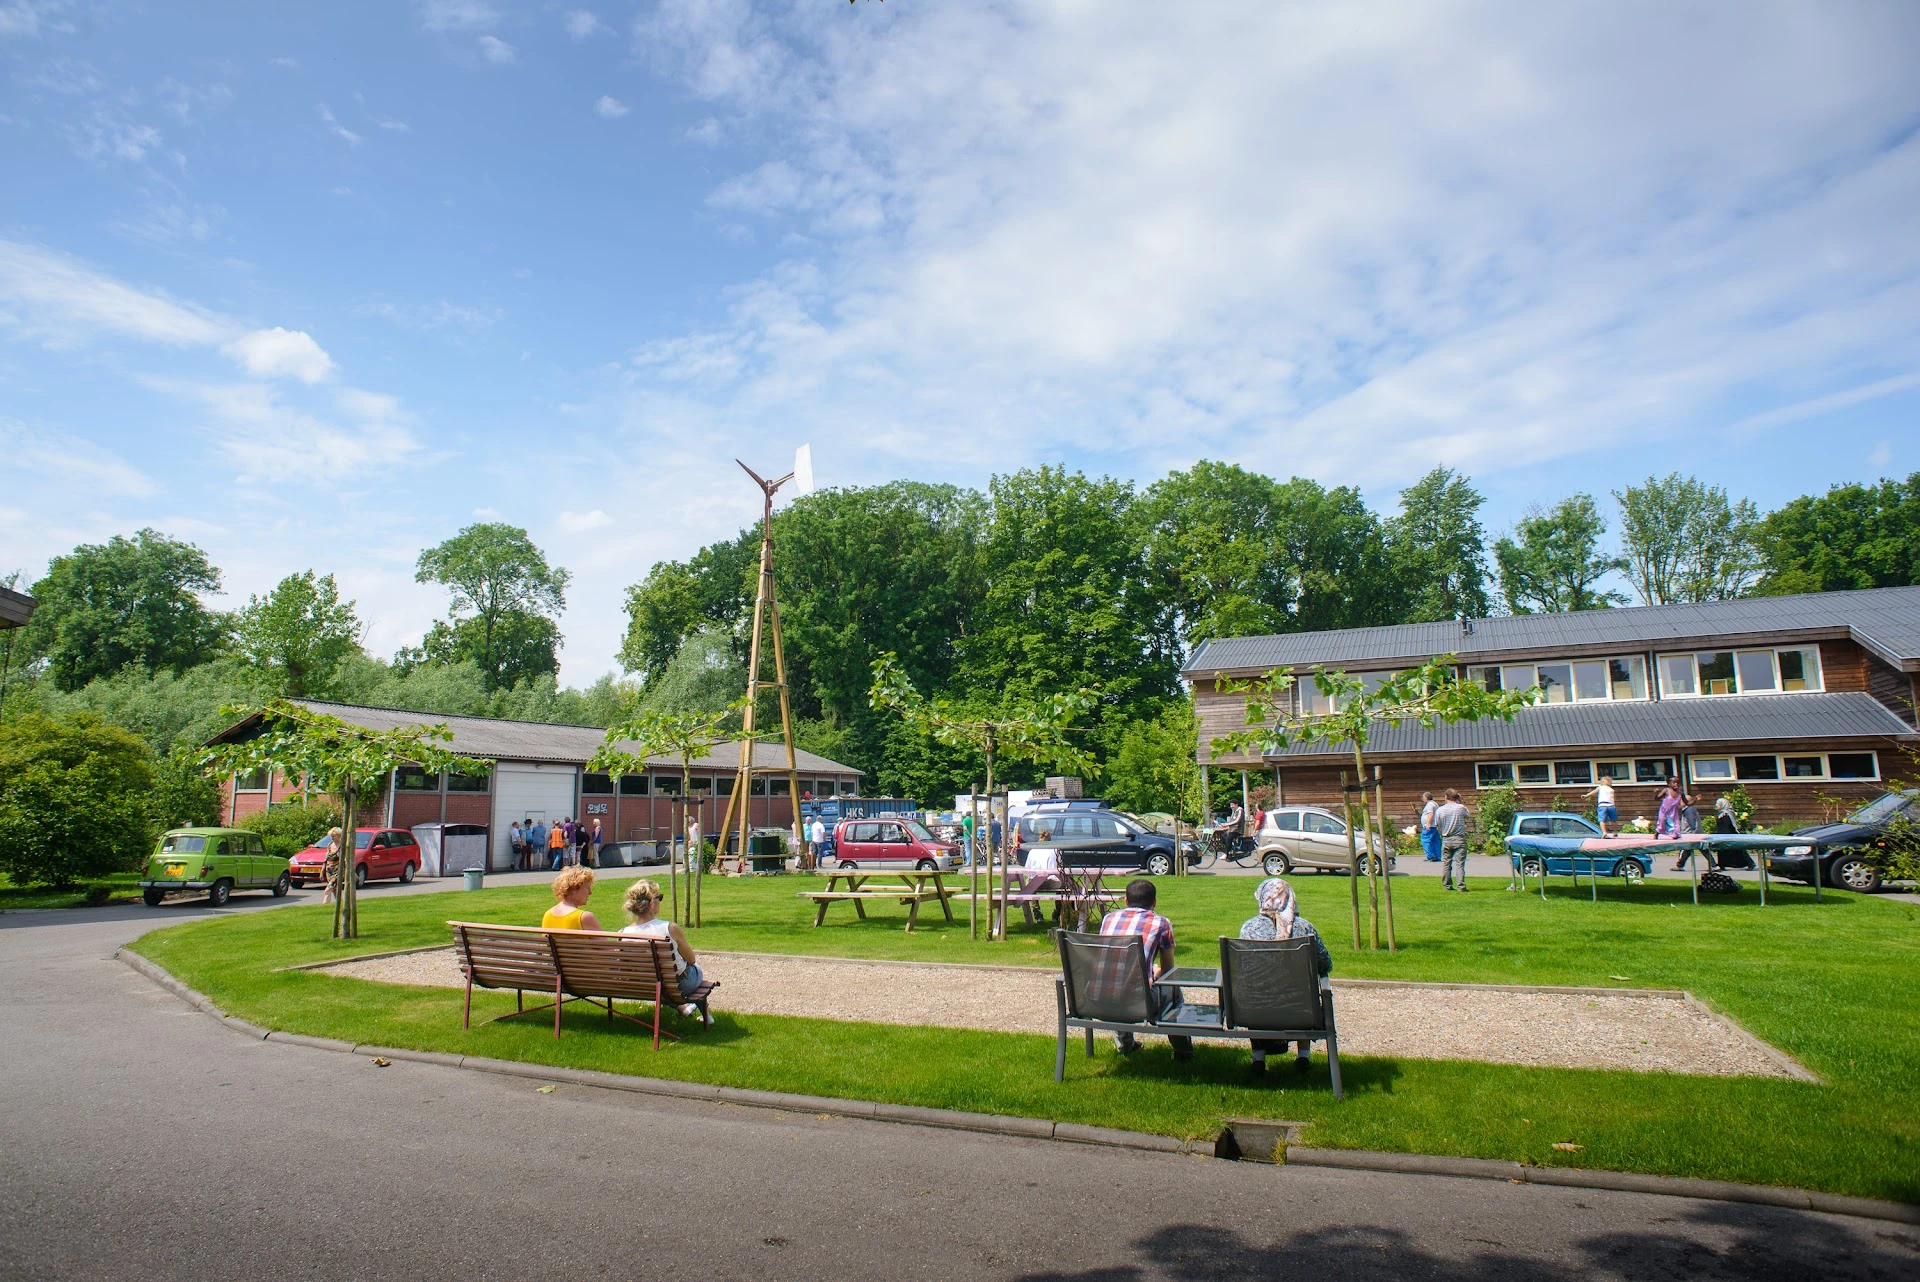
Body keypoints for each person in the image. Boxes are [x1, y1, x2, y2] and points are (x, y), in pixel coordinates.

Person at [1237, 877, 1332, 1075]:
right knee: (1302, 988)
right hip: (1301, 1009)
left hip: (1257, 1009)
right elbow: (1325, 964)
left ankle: (1258, 1060)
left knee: (1258, 987)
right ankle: (1303, 1056)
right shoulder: (1305, 928)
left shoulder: (1249, 928)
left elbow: (1243, 969)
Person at [1098, 879, 1193, 1061]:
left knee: (1118, 982)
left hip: (1098, 1000)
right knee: (1174, 992)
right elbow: (1168, 970)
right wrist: (1156, 971)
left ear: (1125, 901)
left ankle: (1125, 1045)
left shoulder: (1108, 919)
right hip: (1138, 1003)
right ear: (1154, 903)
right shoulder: (1161, 923)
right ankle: (1183, 1052)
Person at [619, 879, 707, 1019]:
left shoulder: (624, 933)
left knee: (661, 979)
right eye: (659, 897)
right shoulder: (670, 928)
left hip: (643, 986)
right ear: (652, 903)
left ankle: (684, 1008)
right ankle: (702, 1011)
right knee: (695, 967)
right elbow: (691, 959)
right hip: (678, 986)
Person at [1434, 788, 1471, 891]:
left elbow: (1438, 825)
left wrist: (1442, 835)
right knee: (1460, 864)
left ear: (1446, 797)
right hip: (1459, 838)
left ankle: (1447, 885)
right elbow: (1467, 816)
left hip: (1446, 838)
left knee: (1446, 863)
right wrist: (1460, 802)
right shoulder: (1460, 808)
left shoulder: (1440, 810)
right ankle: (1461, 886)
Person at [541, 866, 601, 931]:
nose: (590, 892)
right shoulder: (584, 917)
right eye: (587, 888)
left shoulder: (548, 915)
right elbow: (604, 941)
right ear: (573, 890)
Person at [321, 826, 344, 904]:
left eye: (333, 836)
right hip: (329, 871)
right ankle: (341, 905)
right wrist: (322, 871)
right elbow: (326, 859)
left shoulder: (342, 846)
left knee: (328, 890)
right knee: (335, 890)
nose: (332, 837)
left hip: (337, 871)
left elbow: (345, 860)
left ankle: (324, 908)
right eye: (331, 836)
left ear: (339, 835)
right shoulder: (330, 845)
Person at [1418, 791, 1441, 862]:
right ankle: (1437, 856)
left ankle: (1430, 856)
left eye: (1423, 797)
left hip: (1429, 826)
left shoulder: (1430, 804)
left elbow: (1431, 814)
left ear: (1426, 797)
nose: (1423, 799)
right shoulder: (1435, 803)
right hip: (1434, 825)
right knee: (1435, 841)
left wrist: (1427, 824)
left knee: (1425, 840)